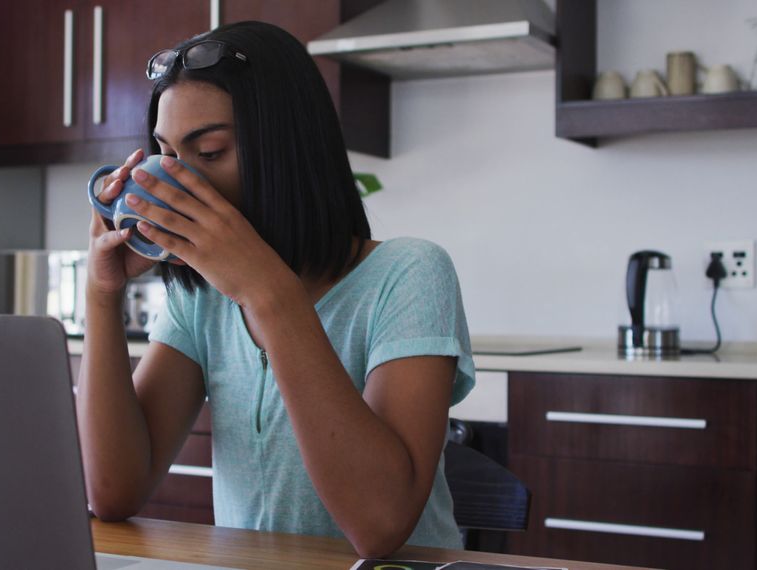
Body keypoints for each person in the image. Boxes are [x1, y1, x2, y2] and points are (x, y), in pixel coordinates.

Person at [76, 21, 475, 558]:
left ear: (288, 150)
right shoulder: (202, 297)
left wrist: (267, 291)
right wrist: (102, 295)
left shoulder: (410, 275)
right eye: (167, 155)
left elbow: (380, 527)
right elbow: (113, 492)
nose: (177, 182)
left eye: (210, 152)